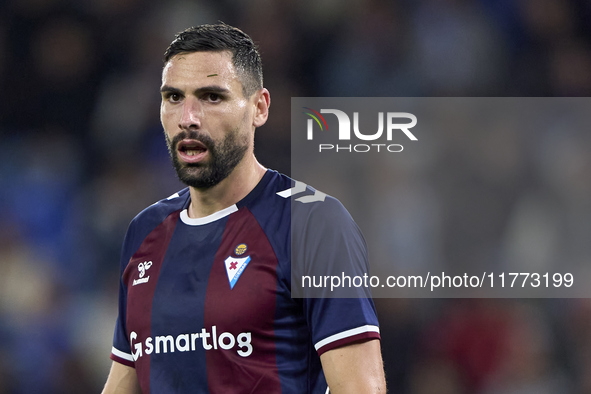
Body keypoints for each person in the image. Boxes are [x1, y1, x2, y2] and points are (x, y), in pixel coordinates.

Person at [101, 23, 386, 394]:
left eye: (211, 97)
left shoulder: (311, 222)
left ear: (259, 108)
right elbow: (125, 381)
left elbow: (360, 388)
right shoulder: (145, 231)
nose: (188, 117)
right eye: (173, 97)